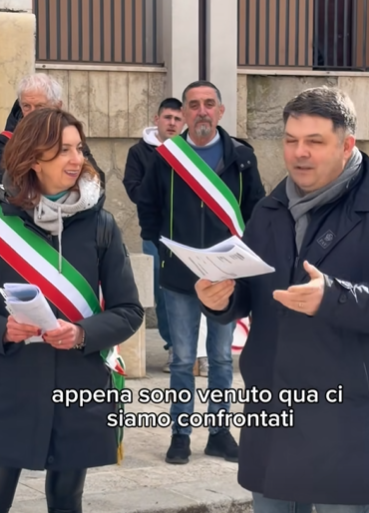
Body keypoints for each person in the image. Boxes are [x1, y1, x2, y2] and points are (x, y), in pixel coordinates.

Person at [196, 86, 369, 512]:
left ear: (347, 145)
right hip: (273, 413)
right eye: (291, 140)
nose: (299, 153)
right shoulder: (268, 210)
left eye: (315, 141)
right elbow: (250, 291)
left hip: (343, 421)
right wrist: (219, 299)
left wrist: (333, 297)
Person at [0, 108, 144, 513]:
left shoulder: (101, 225)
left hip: (77, 387)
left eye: (79, 148)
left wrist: (82, 333)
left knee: (66, 500)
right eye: (63, 150)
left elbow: (129, 310)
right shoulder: (3, 225)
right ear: (33, 158)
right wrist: (4, 329)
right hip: (11, 385)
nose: (76, 159)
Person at [138, 80, 266, 465]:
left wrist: (243, 260)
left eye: (209, 104)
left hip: (225, 276)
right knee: (181, 358)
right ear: (184, 113)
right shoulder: (166, 158)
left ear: (220, 111)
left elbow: (256, 209)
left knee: (222, 357)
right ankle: (180, 435)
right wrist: (164, 249)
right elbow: (148, 207)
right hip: (180, 275)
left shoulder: (242, 157)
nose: (202, 111)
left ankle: (219, 432)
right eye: (193, 105)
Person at [123, 98, 185, 373]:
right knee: (163, 293)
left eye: (177, 119)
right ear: (156, 119)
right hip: (155, 236)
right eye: (167, 117)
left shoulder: (190, 151)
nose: (172, 123)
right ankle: (174, 348)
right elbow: (134, 189)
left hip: (189, 236)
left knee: (194, 291)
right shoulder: (139, 153)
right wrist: (166, 197)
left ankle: (196, 350)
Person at [0, 73, 105, 188]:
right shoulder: (6, 142)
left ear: (57, 106)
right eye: (26, 106)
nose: (32, 113)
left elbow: (96, 181)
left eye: (40, 106)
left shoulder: (70, 137)